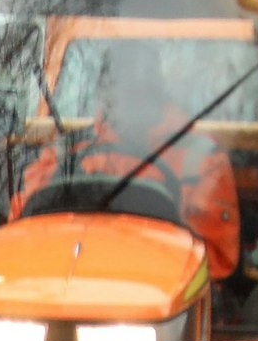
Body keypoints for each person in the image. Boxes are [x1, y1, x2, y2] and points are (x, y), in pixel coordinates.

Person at [13, 44, 241, 279]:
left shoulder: (202, 157)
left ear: (158, 90)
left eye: (141, 87)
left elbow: (215, 261)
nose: (130, 97)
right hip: (68, 279)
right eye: (119, 87)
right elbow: (19, 230)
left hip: (159, 285)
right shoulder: (67, 153)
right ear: (103, 93)